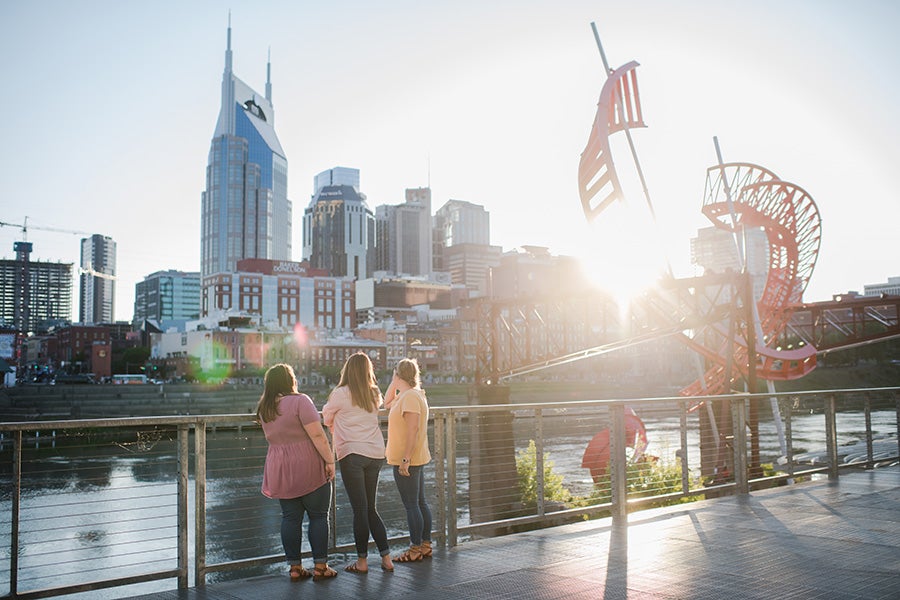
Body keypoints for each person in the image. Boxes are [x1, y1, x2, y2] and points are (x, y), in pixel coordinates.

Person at [256, 363, 338, 581]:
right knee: (319, 516)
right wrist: (330, 461)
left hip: (279, 466)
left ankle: (295, 568)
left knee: (290, 518)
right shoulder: (300, 401)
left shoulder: (264, 407)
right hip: (308, 463)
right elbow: (318, 436)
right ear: (290, 380)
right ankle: (321, 567)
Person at [322, 353, 395, 574]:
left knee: (360, 510)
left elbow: (326, 417)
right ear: (368, 371)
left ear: (347, 370)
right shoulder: (374, 393)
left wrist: (338, 423)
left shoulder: (341, 393)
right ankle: (387, 558)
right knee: (371, 509)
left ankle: (362, 562)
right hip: (374, 453)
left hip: (352, 454)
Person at [384, 358, 433, 562]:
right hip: (412, 457)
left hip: (408, 459)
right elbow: (386, 403)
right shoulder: (408, 395)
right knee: (419, 502)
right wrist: (395, 384)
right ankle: (425, 545)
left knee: (412, 504)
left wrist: (405, 459)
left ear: (399, 374)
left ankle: (415, 549)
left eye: (395, 374)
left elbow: (412, 429)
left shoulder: (411, 397)